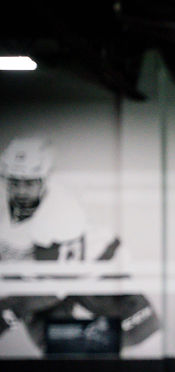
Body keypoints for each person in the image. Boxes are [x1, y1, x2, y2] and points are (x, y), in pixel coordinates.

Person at [0, 136, 160, 355]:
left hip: (93, 271)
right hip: (47, 278)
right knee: (58, 349)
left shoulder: (62, 213)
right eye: (14, 182)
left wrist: (10, 311)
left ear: (44, 180)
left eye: (29, 183)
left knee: (143, 332)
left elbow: (56, 284)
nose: (20, 191)